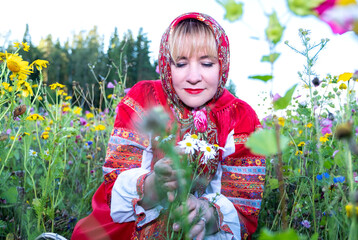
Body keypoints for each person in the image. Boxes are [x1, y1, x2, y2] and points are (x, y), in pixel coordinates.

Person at [72, 12, 266, 240]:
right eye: (181, 63)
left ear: (222, 63)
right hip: (127, 228)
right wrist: (156, 184)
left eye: (206, 63)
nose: (194, 77)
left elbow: (243, 209)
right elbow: (115, 184)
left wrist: (205, 214)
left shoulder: (239, 117)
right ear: (166, 63)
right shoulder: (144, 99)